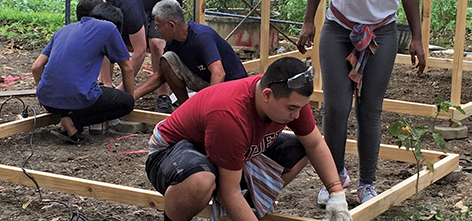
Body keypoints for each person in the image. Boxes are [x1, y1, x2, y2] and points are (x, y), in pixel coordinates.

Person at [296, 0, 427, 205]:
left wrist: (417, 37)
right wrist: (309, 21)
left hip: (381, 30)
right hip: (339, 28)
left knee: (370, 109)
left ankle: (367, 182)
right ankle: (333, 179)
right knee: (336, 107)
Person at [144, 57, 351, 221]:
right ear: (267, 95)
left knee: (299, 151)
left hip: (225, 151)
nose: (297, 115)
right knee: (201, 181)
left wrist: (336, 193)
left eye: (300, 107)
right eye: (292, 108)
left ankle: (249, 206)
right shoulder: (229, 116)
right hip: (170, 151)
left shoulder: (290, 98)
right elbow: (228, 192)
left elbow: (314, 143)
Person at [32, 3, 136, 144]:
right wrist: (130, 101)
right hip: (75, 98)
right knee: (125, 103)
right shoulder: (109, 28)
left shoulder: (65, 29)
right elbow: (128, 68)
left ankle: (66, 115)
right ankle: (73, 121)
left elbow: (36, 67)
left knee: (95, 89)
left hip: (47, 101)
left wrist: (47, 94)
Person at [91, 0, 184, 113]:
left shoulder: (129, 6)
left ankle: (163, 96)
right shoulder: (94, 2)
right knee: (107, 40)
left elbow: (140, 51)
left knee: (156, 44)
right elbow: (102, 45)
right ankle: (106, 84)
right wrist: (107, 87)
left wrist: (121, 91)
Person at [131, 0, 248, 106]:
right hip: (208, 82)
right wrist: (133, 96)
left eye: (158, 26)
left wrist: (208, 106)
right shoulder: (173, 43)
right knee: (167, 59)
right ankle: (186, 109)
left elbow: (218, 74)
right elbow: (160, 76)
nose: (157, 31)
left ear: (171, 25)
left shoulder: (202, 36)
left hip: (233, 87)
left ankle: (199, 111)